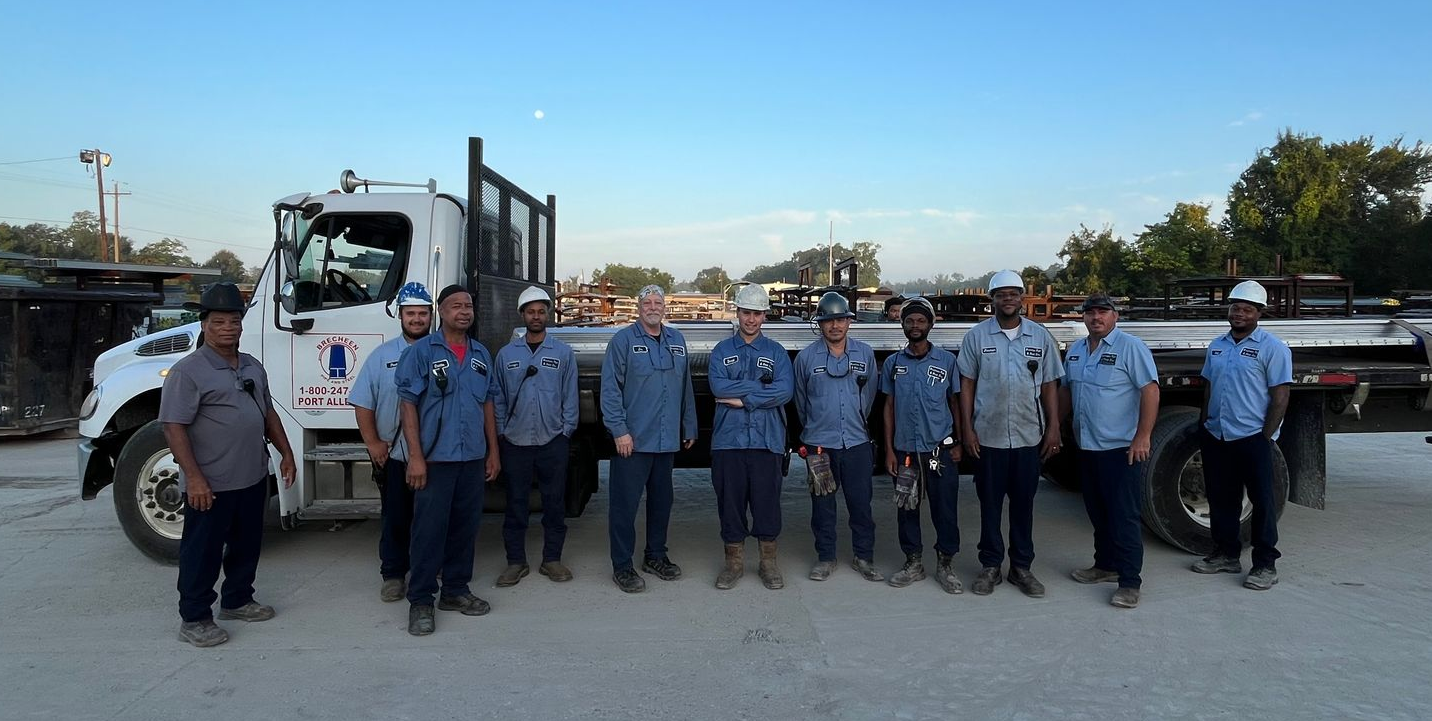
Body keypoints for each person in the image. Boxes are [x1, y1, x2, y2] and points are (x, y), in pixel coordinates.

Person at [161, 282, 296, 647]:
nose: (228, 328)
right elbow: (173, 427)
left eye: (234, 321)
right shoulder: (188, 372)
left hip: (252, 476)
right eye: (219, 322)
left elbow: (267, 412)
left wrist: (286, 452)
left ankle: (237, 600)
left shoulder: (252, 365)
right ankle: (195, 618)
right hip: (211, 483)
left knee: (247, 545)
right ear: (204, 325)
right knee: (202, 552)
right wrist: (195, 478)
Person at [393, 284, 501, 635]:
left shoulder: (481, 354)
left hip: (471, 458)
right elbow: (407, 404)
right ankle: (421, 600)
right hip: (435, 460)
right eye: (456, 306)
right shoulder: (422, 352)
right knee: (428, 531)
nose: (464, 311)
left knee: (464, 529)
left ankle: (456, 590)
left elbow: (488, 403)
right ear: (441, 311)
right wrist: (416, 458)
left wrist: (493, 451)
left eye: (468, 305)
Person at [957, 270, 1063, 598]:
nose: (1007, 299)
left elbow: (1049, 385)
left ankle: (1021, 567)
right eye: (1000, 294)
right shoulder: (977, 337)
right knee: (989, 504)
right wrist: (967, 431)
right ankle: (990, 566)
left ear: (1021, 298)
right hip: (988, 437)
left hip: (1028, 436)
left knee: (1023, 505)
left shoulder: (1039, 337)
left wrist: (1054, 428)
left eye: (1013, 293)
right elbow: (966, 386)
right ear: (992, 300)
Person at [1058, 293, 1159, 609]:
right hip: (1087, 446)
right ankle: (1105, 565)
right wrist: (1055, 428)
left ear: (1115, 316)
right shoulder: (1076, 351)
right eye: (1090, 313)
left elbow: (1150, 390)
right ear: (1083, 318)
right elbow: (1066, 392)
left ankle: (1130, 582)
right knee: (1097, 511)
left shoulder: (1131, 348)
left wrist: (1142, 436)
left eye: (1103, 312)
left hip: (1120, 448)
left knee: (1123, 515)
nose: (1096, 318)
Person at [1191, 280, 1292, 591]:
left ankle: (1265, 564)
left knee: (1262, 501)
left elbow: (1280, 394)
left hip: (1252, 437)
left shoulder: (1272, 348)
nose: (1239, 313)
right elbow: (1209, 385)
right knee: (1222, 498)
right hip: (1217, 434)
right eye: (1235, 308)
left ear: (1258, 313)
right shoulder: (1217, 346)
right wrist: (1204, 422)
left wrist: (1265, 435)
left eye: (1247, 309)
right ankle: (1226, 554)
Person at [600, 284, 697, 593]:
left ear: (664, 307)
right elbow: (610, 390)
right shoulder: (623, 341)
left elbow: (685, 388)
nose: (653, 307)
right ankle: (622, 566)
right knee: (624, 506)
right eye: (647, 303)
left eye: (658, 302)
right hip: (633, 441)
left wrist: (689, 425)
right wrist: (619, 431)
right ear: (638, 308)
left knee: (661, 502)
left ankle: (655, 555)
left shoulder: (677, 340)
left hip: (666, 439)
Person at [349, 281, 432, 603]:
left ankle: (429, 567)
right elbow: (362, 402)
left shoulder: (442, 354)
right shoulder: (381, 357)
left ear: (430, 316)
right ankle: (394, 574)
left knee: (431, 518)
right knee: (396, 517)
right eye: (410, 313)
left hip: (436, 454)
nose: (416, 319)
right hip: (396, 454)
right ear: (400, 316)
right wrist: (373, 443)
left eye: (422, 313)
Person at [707, 284, 794, 590]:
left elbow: (785, 391)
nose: (751, 319)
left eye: (757, 313)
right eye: (746, 312)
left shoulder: (776, 353)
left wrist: (745, 399)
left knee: (766, 502)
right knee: (729, 503)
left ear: (764, 316)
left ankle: (768, 564)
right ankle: (733, 564)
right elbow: (719, 388)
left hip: (767, 440)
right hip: (728, 441)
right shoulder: (722, 352)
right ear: (738, 313)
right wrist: (761, 391)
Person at [794, 292, 885, 583]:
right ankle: (826, 557)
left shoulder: (865, 354)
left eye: (840, 320)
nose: (835, 326)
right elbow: (801, 402)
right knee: (823, 505)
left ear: (849, 322)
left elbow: (869, 396)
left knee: (861, 504)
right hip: (820, 445)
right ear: (820, 324)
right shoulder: (806, 358)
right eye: (828, 320)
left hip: (857, 443)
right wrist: (818, 429)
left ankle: (864, 557)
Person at [492, 286, 579, 587]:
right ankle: (516, 562)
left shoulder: (562, 352)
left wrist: (565, 431)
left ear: (548, 315)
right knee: (515, 504)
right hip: (515, 443)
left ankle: (552, 560)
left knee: (554, 503)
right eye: (531, 312)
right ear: (522, 315)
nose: (537, 316)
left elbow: (570, 396)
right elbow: (498, 397)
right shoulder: (506, 355)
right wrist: (502, 431)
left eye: (541, 311)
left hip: (551, 441)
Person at [880, 297, 965, 593]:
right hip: (905, 452)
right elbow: (888, 407)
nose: (915, 326)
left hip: (939, 451)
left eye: (920, 321)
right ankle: (913, 562)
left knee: (945, 510)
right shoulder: (893, 364)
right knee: (907, 509)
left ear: (930, 324)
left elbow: (955, 404)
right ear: (902, 325)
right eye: (909, 321)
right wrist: (889, 450)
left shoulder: (946, 362)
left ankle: (946, 565)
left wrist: (959, 442)